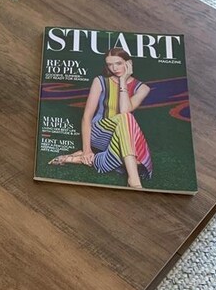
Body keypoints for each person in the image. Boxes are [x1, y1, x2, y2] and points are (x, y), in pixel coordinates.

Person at [49, 48, 153, 188]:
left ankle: (75, 159)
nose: (114, 68)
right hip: (98, 132)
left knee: (137, 162)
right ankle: (133, 180)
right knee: (126, 119)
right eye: (110, 65)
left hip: (123, 134)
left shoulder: (143, 88)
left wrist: (122, 81)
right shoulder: (100, 81)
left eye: (118, 63)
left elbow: (124, 109)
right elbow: (87, 117)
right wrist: (87, 150)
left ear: (129, 63)